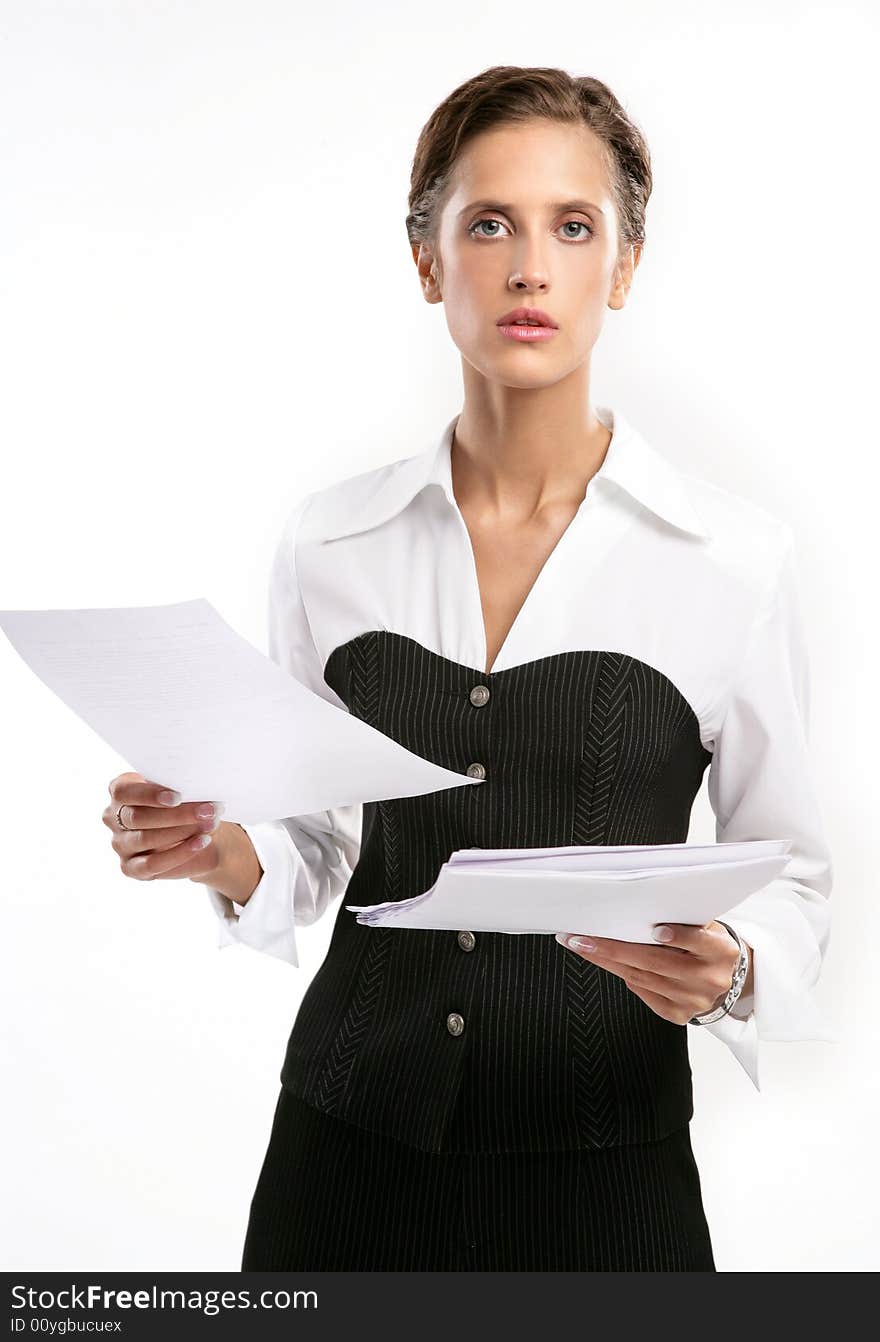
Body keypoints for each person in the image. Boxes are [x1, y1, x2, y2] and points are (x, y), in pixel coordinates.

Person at [103, 65, 833, 1272]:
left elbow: (795, 877)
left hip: (609, 1182)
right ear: (427, 260)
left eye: (573, 225)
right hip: (342, 1163)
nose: (529, 266)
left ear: (626, 266)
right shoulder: (329, 542)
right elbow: (316, 843)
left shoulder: (733, 563)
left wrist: (735, 968)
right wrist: (215, 849)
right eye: (487, 223)